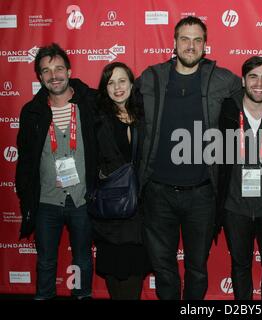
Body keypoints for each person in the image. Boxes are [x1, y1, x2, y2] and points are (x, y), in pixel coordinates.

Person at [137, 16, 241, 299]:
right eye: (185, 39)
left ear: (205, 45)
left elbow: (258, 96)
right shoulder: (151, 77)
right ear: (174, 42)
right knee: (163, 267)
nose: (191, 45)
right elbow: (118, 104)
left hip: (202, 194)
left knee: (197, 268)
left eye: (197, 40)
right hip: (157, 192)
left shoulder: (224, 79)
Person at [15, 43, 96, 300]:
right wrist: (26, 196)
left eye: (59, 68)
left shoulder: (91, 103)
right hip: (46, 202)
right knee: (46, 262)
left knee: (82, 259)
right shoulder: (32, 112)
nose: (54, 75)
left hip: (82, 199)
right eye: (46, 71)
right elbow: (25, 160)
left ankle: (82, 295)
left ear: (69, 71)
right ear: (40, 77)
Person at [218, 56, 262, 300]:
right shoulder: (227, 109)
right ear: (243, 80)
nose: (259, 83)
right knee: (240, 267)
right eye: (253, 76)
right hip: (235, 208)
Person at [91, 62, 151, 299]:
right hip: (112, 209)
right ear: (104, 88)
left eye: (122, 80)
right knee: (116, 273)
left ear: (132, 83)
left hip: (140, 210)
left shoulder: (145, 115)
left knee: (135, 271)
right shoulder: (98, 118)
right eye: (111, 82)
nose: (117, 87)